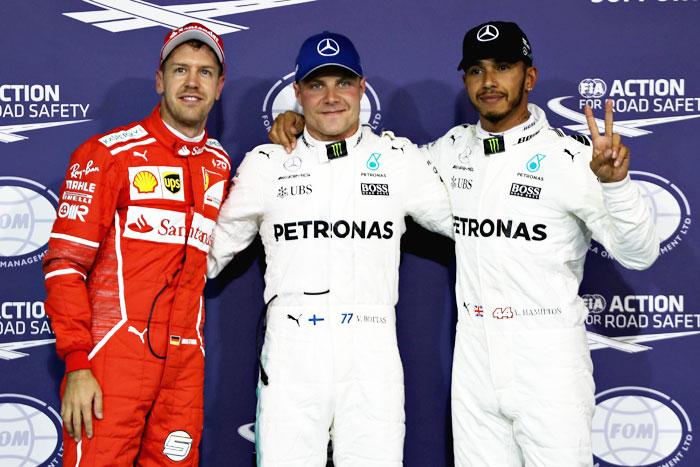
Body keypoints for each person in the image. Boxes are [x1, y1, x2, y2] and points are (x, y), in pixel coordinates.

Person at [268, 21, 659, 467]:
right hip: (473, 356)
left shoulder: (569, 158)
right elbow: (372, 159)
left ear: (529, 77)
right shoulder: (449, 152)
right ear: (465, 81)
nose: (490, 82)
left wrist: (617, 186)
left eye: (504, 67)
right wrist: (301, 126)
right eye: (477, 70)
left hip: (547, 357)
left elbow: (639, 253)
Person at [207, 31, 452, 467]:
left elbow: (474, 229)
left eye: (342, 82)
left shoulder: (398, 159)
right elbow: (206, 257)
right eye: (317, 85)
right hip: (293, 351)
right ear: (297, 93)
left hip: (371, 351)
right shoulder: (267, 164)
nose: (331, 97)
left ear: (362, 87)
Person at [43, 22, 231, 466]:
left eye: (205, 73)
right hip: (112, 359)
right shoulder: (108, 154)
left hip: (185, 367)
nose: (191, 82)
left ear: (219, 87)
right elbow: (65, 264)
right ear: (159, 79)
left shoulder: (220, 163)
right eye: (180, 69)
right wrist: (78, 363)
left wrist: (292, 125)